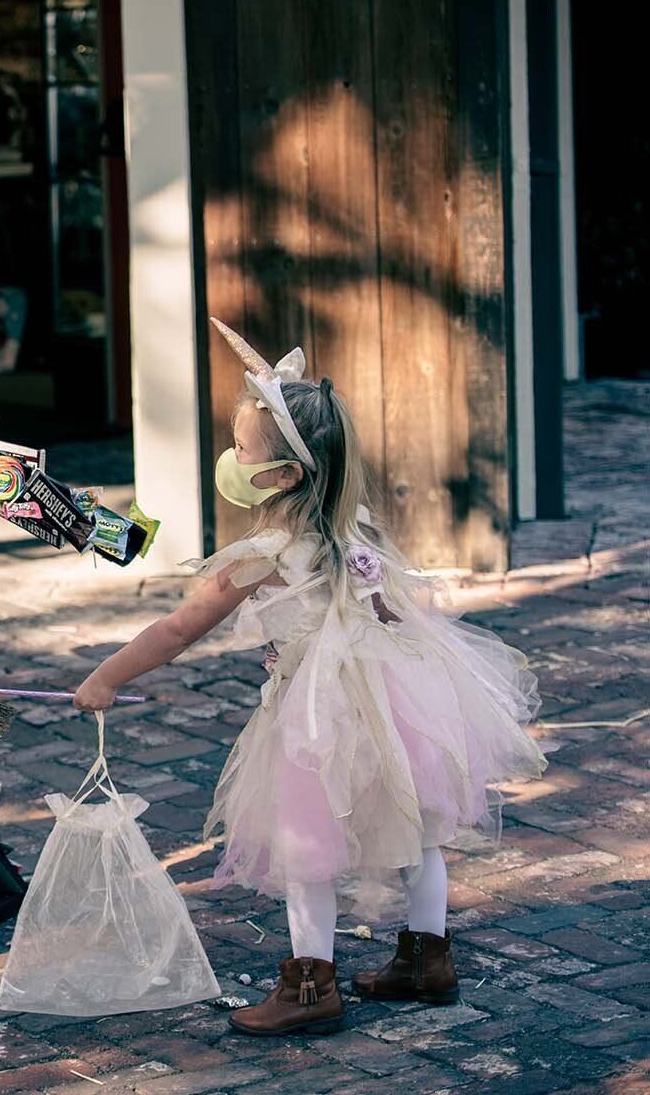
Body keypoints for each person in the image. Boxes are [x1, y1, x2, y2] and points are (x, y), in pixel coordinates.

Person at [72, 319, 547, 1037]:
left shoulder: (265, 549)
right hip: (397, 702)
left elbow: (178, 627)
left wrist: (105, 675)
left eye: (239, 450)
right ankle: (425, 961)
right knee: (418, 833)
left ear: (285, 474)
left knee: (305, 846)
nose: (229, 460)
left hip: (317, 717)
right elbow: (387, 609)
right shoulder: (352, 525)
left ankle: (308, 987)